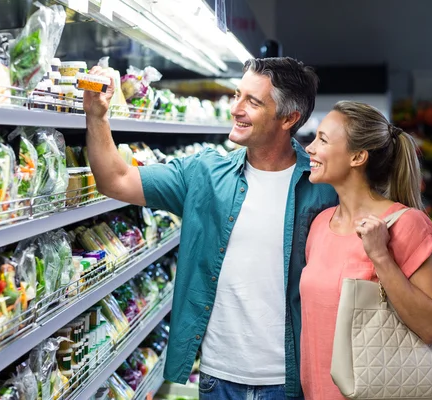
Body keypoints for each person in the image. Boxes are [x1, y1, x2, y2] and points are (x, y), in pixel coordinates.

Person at [84, 57, 337, 399]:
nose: (236, 108)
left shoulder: (323, 186)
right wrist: (97, 116)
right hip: (218, 378)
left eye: (253, 101)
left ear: (288, 118)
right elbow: (115, 180)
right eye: (237, 95)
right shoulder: (204, 174)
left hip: (292, 381)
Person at [299, 101, 432, 399]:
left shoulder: (406, 225)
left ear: (357, 156)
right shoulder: (319, 225)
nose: (309, 149)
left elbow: (431, 327)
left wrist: (380, 256)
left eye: (323, 140)